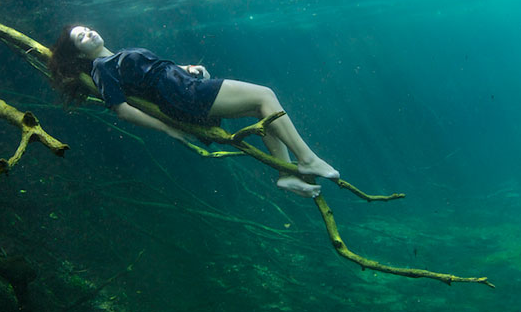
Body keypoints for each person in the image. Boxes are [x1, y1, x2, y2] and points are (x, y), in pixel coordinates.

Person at [48, 25, 339, 198]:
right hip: (182, 95)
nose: (89, 33)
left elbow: (147, 76)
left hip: (183, 85)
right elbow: (121, 109)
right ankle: (306, 159)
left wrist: (184, 68)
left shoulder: (114, 58)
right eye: (81, 38)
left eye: (87, 29)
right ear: (79, 54)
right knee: (265, 95)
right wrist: (167, 129)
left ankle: (284, 173)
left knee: (261, 108)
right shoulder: (101, 68)